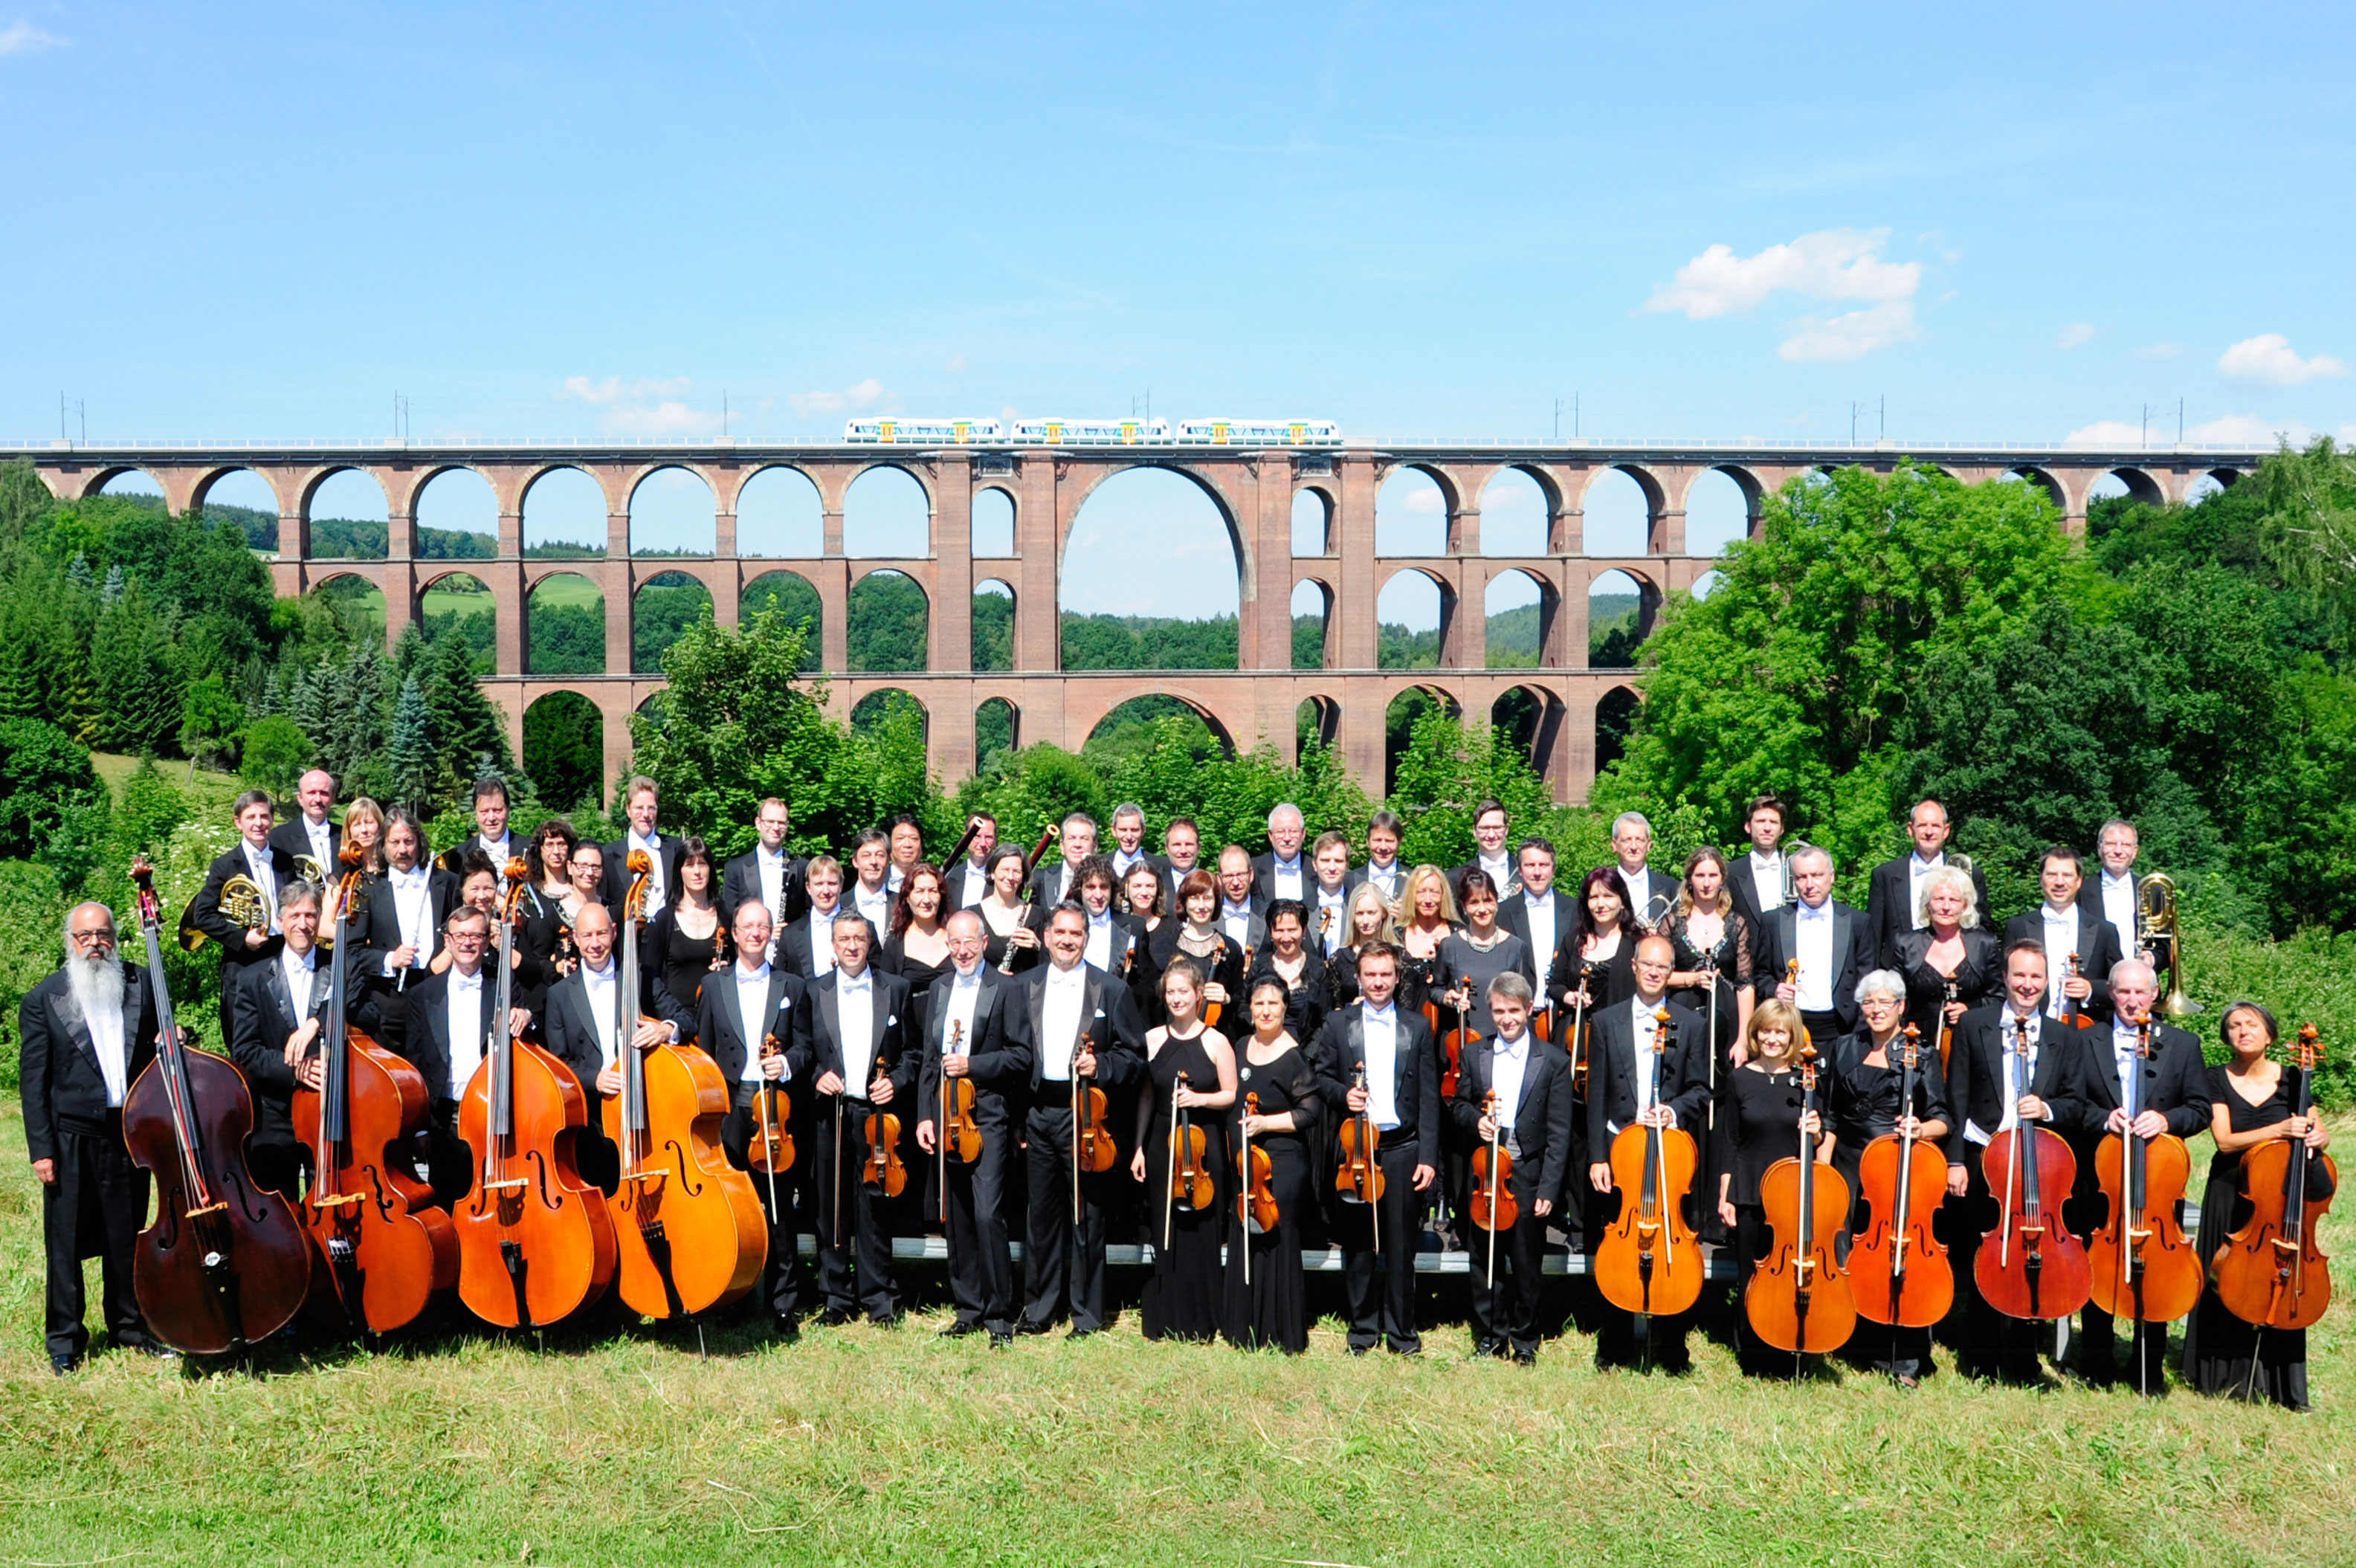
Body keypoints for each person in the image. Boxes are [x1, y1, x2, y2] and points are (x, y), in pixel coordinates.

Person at [21, 900, 165, 1372]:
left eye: (103, 934)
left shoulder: (142, 984)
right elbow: (34, 1081)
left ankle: (129, 1325)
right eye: (85, 936)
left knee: (128, 1237)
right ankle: (65, 1338)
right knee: (65, 1242)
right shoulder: (44, 999)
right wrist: (42, 1150)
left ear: (115, 938)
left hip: (127, 1133)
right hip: (70, 1138)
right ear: (71, 942)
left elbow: (159, 1047)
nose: (95, 944)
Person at [1943, 941, 2093, 1383]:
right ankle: (1981, 1354)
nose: (2027, 985)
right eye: (2019, 976)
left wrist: (2045, 1110)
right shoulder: (1974, 1025)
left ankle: (2024, 1355)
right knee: (1981, 1252)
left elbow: (2078, 1103)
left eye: (2036, 977)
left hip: (2036, 1163)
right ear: (2005, 978)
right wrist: (1956, 1162)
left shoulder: (2065, 1036)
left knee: (2034, 1256)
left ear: (2047, 983)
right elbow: (1957, 1097)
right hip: (1982, 1155)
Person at [2063, 958, 2211, 1392]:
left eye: (2140, 992)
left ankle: (2147, 1362)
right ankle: (2096, 1358)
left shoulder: (2183, 1044)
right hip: (2100, 1173)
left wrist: (2166, 1121)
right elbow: (2070, 1102)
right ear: (2111, 993)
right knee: (2100, 1259)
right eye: (2123, 992)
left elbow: (2199, 1108)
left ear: (2155, 995)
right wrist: (2101, 1119)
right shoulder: (2084, 1040)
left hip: (2159, 1177)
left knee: (2156, 1265)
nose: (2132, 1001)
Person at [2181, 1001, 2334, 1409]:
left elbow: (2319, 1131)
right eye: (2233, 1025)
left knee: (2278, 1275)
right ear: (2226, 1036)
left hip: (2280, 1196)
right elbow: (2226, 1141)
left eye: (2252, 1024)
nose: (2242, 1031)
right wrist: (2281, 1129)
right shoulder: (2215, 1078)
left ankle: (2280, 1379)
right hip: (2230, 1190)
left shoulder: (2295, 1078)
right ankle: (2217, 1374)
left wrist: (2319, 1138)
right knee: (2224, 1277)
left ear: (2270, 1035)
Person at [1017, 903, 1145, 1338]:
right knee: (1041, 1217)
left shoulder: (1110, 989)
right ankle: (1039, 1309)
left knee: (1087, 1216)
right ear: (1048, 935)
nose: (1067, 940)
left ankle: (1086, 1315)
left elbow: (1135, 1058)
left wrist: (1102, 1066)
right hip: (1038, 1112)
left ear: (1086, 938)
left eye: (1076, 933)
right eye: (1060, 932)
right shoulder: (1025, 984)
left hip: (1088, 1116)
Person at [1585, 934, 1712, 1369]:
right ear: (1635, 966)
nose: (1655, 972)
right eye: (1648, 964)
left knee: (1673, 1246)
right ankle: (1615, 1346)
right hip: (1622, 1150)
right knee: (1619, 1246)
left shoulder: (1691, 1024)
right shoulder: (1605, 1022)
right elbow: (1596, 1094)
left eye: (1664, 966)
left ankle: (1672, 1346)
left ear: (1671, 971)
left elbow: (1701, 1090)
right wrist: (1598, 1156)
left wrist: (1673, 1111)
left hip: (1669, 1153)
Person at [1312, 941, 1439, 1355]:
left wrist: (1428, 1157)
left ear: (1397, 977)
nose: (1378, 982)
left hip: (1402, 1148)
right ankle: (1363, 1331)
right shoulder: (1337, 1024)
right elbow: (1322, 1078)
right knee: (1359, 1244)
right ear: (1359, 978)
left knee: (1402, 1246)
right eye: (1371, 975)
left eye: (1386, 974)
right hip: (1357, 1151)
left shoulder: (1418, 1027)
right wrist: (1341, 1095)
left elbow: (1429, 1097)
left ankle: (1402, 1334)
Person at [1826, 972, 1952, 1386]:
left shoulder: (1921, 1053)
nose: (1876, 1011)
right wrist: (1823, 1172)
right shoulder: (1844, 1047)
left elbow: (1942, 1120)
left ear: (1901, 1007)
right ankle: (1855, 1341)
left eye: (1885, 1003)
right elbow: (1830, 1117)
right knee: (1847, 1251)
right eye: (1869, 1003)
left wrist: (1919, 1129)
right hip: (1847, 1161)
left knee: (1897, 1258)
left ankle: (1904, 1356)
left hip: (1895, 1166)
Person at [914, 910, 1030, 1346]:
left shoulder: (1007, 987)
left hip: (989, 1116)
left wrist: (973, 1065)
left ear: (984, 942)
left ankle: (999, 1315)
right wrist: (925, 1115)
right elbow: (929, 1060)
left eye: (970, 942)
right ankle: (968, 1308)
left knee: (987, 1213)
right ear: (948, 946)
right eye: (955, 943)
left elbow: (1021, 1056)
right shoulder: (940, 987)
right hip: (945, 1116)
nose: (962, 950)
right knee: (957, 1215)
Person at [793, 913, 914, 1326]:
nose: (851, 946)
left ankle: (880, 1298)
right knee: (831, 1207)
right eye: (843, 939)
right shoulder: (814, 990)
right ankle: (836, 1298)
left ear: (869, 944)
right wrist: (815, 1076)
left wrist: (895, 1082)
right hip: (831, 1114)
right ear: (832, 945)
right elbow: (803, 1049)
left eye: (859, 939)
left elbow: (913, 1055)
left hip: (877, 1116)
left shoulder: (895, 989)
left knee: (876, 1206)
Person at [700, 900, 810, 1338]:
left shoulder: (792, 986)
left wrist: (784, 1063)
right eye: (748, 926)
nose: (755, 933)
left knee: (780, 1204)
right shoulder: (712, 985)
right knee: (733, 1208)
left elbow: (806, 1046)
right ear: (735, 931)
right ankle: (733, 1296)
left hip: (773, 1108)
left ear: (770, 933)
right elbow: (706, 1053)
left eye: (763, 927)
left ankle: (784, 1303)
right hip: (730, 1109)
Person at [1453, 971, 1569, 1364]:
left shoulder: (1553, 1061)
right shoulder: (1475, 1053)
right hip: (1486, 1173)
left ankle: (1525, 1340)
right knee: (1483, 1259)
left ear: (1529, 1010)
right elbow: (1460, 1105)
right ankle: (1490, 1335)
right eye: (1499, 1011)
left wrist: (1549, 1190)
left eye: (1514, 1011)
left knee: (1525, 1262)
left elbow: (1559, 1132)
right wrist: (1476, 1122)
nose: (1506, 1019)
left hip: (1527, 1173)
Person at [538, 901, 688, 1195]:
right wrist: (593, 1078)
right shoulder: (558, 995)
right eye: (588, 935)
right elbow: (559, 1062)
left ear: (615, 932)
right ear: (575, 938)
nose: (595, 943)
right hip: (594, 1119)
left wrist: (666, 1029)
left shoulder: (641, 976)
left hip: (647, 1108)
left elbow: (685, 1018)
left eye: (602, 934)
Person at [1714, 998, 1830, 1375]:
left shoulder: (1806, 1079)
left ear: (1792, 1036)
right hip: (1749, 1188)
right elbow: (1729, 1141)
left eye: (1780, 1032)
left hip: (1793, 1191)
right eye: (1766, 1030)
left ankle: (1788, 1343)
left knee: (1789, 1271)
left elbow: (1819, 1138)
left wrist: (1815, 1134)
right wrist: (1725, 1195)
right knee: (1752, 1271)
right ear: (1756, 1033)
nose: (1772, 1038)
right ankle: (1751, 1350)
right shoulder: (1739, 1080)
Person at [1132, 960, 1236, 1343]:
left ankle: (1202, 1319)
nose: (1177, 999)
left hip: (1202, 1144)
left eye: (1184, 992)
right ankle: (1168, 1315)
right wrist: (1139, 1147)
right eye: (1170, 992)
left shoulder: (1216, 1040)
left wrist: (1199, 1098)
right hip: (1161, 1141)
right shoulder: (1152, 1039)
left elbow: (1230, 1095)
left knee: (1200, 1227)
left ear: (1197, 995)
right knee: (1167, 1227)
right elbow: (1146, 1096)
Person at [401, 905, 528, 1209]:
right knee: (448, 1200)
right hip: (444, 1116)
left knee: (499, 1199)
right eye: (460, 936)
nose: (467, 943)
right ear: (447, 941)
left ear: (486, 942)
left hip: (494, 1113)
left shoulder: (505, 986)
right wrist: (420, 1126)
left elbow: (532, 1029)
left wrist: (525, 1014)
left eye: (475, 935)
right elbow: (415, 1062)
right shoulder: (422, 994)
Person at [1223, 975, 1321, 1354]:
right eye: (1259, 1003)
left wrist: (1266, 1123)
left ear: (1285, 1010)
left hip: (1282, 1160)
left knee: (1275, 1234)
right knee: (1246, 1231)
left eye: (1274, 1004)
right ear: (1250, 1009)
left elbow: (1309, 1112)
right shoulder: (1241, 1045)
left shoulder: (1292, 1054)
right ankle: (1244, 1325)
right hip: (1246, 1161)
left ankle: (1280, 1329)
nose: (1266, 1010)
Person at [225, 878, 332, 1198]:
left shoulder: (339, 967)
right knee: (280, 1214)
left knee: (330, 1209)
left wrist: (318, 1022)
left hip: (328, 1112)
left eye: (311, 915)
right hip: (275, 1113)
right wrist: (294, 1070)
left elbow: (364, 1012)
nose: (303, 924)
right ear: (281, 921)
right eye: (295, 916)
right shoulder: (251, 978)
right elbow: (245, 1051)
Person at [184, 788, 294, 1039]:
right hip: (243, 959)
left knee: (282, 1033)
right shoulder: (224, 866)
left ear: (272, 820)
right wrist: (242, 938)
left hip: (281, 954)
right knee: (244, 1037)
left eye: (264, 816)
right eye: (251, 817)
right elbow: (203, 915)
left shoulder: (285, 862)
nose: (259, 823)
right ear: (238, 822)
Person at [355, 809, 454, 1055]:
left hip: (439, 993)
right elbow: (351, 951)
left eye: (409, 841)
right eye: (395, 842)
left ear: (419, 842)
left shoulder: (446, 882)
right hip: (391, 1002)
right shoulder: (368, 887)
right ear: (383, 845)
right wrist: (390, 959)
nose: (403, 850)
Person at [1760, 843, 1873, 1047]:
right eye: (1801, 877)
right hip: (1790, 1027)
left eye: (1817, 875)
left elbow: (1867, 982)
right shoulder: (1773, 921)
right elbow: (1759, 975)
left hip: (1842, 1029)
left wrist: (1859, 1035)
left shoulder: (1858, 922)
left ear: (1832, 876)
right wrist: (1774, 989)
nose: (1809, 884)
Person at [1891, 865, 2001, 1071]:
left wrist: (1971, 1009)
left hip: (1971, 1041)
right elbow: (1894, 999)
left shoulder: (1984, 944)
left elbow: (1999, 997)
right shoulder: (1906, 944)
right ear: (1928, 904)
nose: (1946, 907)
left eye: (1954, 900)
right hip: (1916, 1041)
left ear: (1965, 906)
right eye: (1939, 899)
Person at [2003, 846, 2121, 1026]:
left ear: (2079, 881)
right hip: (2032, 1028)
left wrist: (2091, 990)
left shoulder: (2105, 931)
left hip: (2086, 1031)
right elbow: (2002, 982)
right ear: (2041, 879)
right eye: (2051, 874)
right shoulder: (2017, 927)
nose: (2059, 882)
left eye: (2067, 875)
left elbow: (2120, 986)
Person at [1865, 799, 1991, 967]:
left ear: (1946, 831)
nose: (1929, 832)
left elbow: (1982, 929)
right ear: (1911, 829)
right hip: (1898, 974)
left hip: (1954, 971)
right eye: (1922, 825)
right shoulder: (1884, 876)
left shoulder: (1968, 874)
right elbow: (1872, 938)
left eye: (1936, 826)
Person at [1436, 869, 1536, 1039]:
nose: (1482, 909)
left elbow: (1526, 996)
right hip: (1459, 1040)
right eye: (1474, 902)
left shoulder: (1516, 947)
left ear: (1497, 902)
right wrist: (1447, 997)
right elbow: (1435, 989)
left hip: (1504, 1039)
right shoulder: (1449, 946)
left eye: (1488, 901)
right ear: (1464, 906)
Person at [642, 837, 727, 1033]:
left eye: (702, 864)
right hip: (676, 1021)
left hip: (718, 1020)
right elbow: (650, 978)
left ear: (710, 870)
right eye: (689, 865)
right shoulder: (663, 920)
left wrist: (729, 969)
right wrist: (670, 1021)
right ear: (679, 871)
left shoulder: (726, 915)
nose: (697, 872)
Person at [1149, 871, 1245, 1032]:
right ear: (1184, 902)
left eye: (1207, 898)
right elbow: (1155, 1003)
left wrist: (1227, 999)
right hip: (1173, 1035)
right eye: (1194, 898)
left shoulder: (1231, 948)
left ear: (1216, 902)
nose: (1201, 906)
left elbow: (1242, 999)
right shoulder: (1164, 947)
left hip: (1219, 1035)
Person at [880, 863, 955, 1048]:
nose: (927, 899)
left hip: (954, 1035)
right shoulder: (895, 943)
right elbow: (887, 999)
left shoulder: (956, 937)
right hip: (911, 1042)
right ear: (907, 898)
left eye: (933, 891)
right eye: (919, 891)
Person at [1499, 836, 1575, 1009]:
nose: (1537, 872)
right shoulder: (1502, 913)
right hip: (1519, 1012)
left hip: (1564, 1012)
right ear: (1519, 870)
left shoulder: (1576, 909)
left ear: (1553, 869)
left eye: (1544, 865)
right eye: (1530, 865)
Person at [720, 798, 809, 944]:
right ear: (758, 823)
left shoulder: (801, 867)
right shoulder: (735, 868)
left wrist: (790, 930)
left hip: (789, 952)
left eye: (781, 823)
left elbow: (808, 915)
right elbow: (730, 918)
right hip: (750, 948)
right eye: (770, 821)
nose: (776, 827)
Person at [601, 775, 683, 923]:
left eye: (651, 808)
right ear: (628, 810)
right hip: (627, 939)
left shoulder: (678, 848)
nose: (646, 815)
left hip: (669, 938)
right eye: (639, 808)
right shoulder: (608, 854)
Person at [1248, 900, 1329, 1048]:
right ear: (1271, 932)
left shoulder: (1318, 969)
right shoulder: (1259, 967)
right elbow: (1245, 1010)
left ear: (1304, 930)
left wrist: (1307, 1055)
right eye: (1279, 931)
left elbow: (1324, 1019)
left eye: (1292, 930)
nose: (1286, 938)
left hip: (1307, 1055)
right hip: (1265, 1049)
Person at [2078, 819, 2146, 969]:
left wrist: (2152, 960)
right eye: (2111, 844)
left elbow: (2167, 944)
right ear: (2099, 848)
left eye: (2126, 845)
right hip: (2095, 985)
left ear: (2135, 852)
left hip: (2141, 985)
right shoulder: (2080, 891)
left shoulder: (2150, 890)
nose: (2118, 851)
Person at [1326, 883, 1399, 1013]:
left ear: (1383, 913)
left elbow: (1408, 1009)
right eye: (1359, 914)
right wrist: (1351, 1010)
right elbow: (1335, 1008)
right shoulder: (1338, 959)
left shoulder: (1399, 956)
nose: (1365, 921)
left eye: (1371, 913)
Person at [1395, 863, 1457, 1021]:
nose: (1428, 900)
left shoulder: (1459, 934)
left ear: (1443, 895)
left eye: (1434, 892)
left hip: (1449, 1027)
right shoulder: (1395, 936)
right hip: (1406, 1024)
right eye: (1421, 892)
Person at [1726, 793, 1794, 932]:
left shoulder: (1796, 869)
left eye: (1774, 822)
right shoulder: (1730, 872)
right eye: (1761, 821)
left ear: (1781, 829)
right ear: (1748, 827)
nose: (1767, 828)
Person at [1070, 855, 1145, 978]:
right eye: (1091, 887)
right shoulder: (1065, 927)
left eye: (1104, 887)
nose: (1098, 895)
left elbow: (1145, 982)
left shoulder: (1136, 927)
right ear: (1080, 889)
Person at [974, 845, 1043, 973]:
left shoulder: (1038, 915)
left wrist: (1039, 946)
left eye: (1016, 871)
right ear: (993, 873)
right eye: (1004, 870)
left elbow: (1050, 962)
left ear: (1023, 876)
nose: (1010, 877)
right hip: (988, 990)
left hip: (1026, 991)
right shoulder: (973, 915)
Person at [438, 775, 518, 882]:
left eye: (497, 810)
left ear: (508, 810)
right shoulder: (459, 856)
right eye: (484, 811)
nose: (491, 818)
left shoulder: (531, 849)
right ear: (476, 814)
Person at [778, 855, 848, 979]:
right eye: (819, 884)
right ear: (808, 888)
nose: (826, 891)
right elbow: (781, 981)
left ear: (841, 886)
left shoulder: (864, 927)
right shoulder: (789, 935)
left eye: (831, 883)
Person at [269, 767, 341, 879]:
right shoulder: (278, 839)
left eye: (324, 793)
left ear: (333, 798)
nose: (318, 799)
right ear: (300, 798)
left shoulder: (347, 836)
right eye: (311, 793)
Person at [1030, 813, 1098, 908]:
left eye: (1084, 839)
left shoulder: (1105, 882)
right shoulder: (1041, 878)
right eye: (1072, 838)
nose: (1077, 844)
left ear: (1095, 847)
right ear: (1062, 846)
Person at [1609, 811, 1663, 926]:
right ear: (1614, 845)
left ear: (1649, 845)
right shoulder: (1601, 887)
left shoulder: (1671, 889)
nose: (1634, 847)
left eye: (1639, 840)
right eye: (1627, 840)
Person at [1252, 802, 1311, 906]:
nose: (1287, 838)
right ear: (1271, 835)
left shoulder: (1317, 870)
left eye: (1293, 831)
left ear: (1303, 834)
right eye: (1280, 832)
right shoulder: (1253, 871)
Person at [1453, 799, 1515, 897]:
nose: (1491, 835)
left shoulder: (1525, 871)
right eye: (1485, 828)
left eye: (1497, 828)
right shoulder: (1455, 878)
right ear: (1474, 831)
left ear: (1506, 830)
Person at [1306, 831, 1355, 955]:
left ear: (1347, 864)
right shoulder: (1302, 908)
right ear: (1314, 864)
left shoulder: (1357, 908)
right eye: (1325, 860)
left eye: (1338, 861)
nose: (1332, 868)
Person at [1346, 810, 1408, 906]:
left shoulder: (1413, 879)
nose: (1383, 847)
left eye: (1389, 841)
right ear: (1368, 841)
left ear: (1399, 842)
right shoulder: (1349, 879)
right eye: (1377, 840)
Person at [940, 810, 998, 910]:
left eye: (988, 837)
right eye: (977, 836)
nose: (983, 843)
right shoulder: (949, 877)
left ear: (996, 840)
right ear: (966, 838)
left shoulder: (1002, 879)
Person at [1214, 845, 1267, 952]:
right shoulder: (1209, 917)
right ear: (1219, 879)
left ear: (1251, 875)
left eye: (1241, 875)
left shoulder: (1268, 915)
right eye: (1229, 876)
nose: (1236, 883)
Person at [847, 827, 895, 934]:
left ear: (888, 861)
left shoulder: (902, 903)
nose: (873, 861)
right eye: (866, 855)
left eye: (880, 855)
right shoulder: (840, 905)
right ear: (855, 862)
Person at [1157, 816, 1204, 907]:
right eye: (1177, 845)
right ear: (1167, 849)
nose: (1183, 851)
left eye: (1189, 844)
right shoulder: (1155, 885)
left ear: (1199, 848)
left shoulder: (1211, 884)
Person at [1108, 803, 1152, 880]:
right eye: (1123, 830)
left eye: (1134, 830)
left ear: (1143, 830)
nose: (1129, 837)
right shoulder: (1102, 864)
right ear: (1114, 830)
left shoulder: (1160, 865)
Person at [885, 814, 925, 894]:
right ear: (889, 844)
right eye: (900, 838)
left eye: (914, 839)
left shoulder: (932, 881)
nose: (907, 845)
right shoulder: (877, 879)